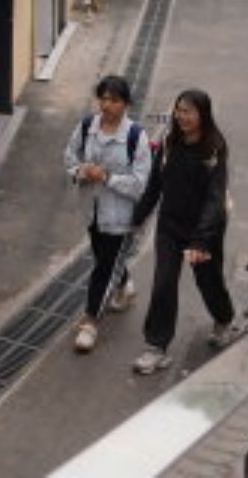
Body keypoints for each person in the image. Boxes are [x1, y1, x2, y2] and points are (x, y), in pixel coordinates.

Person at [132, 89, 238, 375]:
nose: (181, 116)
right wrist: (138, 216)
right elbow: (155, 184)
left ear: (202, 114)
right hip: (170, 226)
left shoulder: (214, 149)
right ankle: (156, 346)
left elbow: (215, 199)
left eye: (188, 111)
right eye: (179, 110)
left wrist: (201, 240)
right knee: (163, 283)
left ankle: (223, 318)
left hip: (204, 231)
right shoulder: (169, 142)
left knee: (208, 280)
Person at [62, 75, 153, 354]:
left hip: (120, 217)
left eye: (113, 100)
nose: (106, 105)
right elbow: (69, 157)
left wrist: (107, 177)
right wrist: (81, 171)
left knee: (103, 267)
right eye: (103, 98)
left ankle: (90, 322)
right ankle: (125, 287)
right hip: (92, 211)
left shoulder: (136, 137)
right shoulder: (87, 126)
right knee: (106, 258)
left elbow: (140, 183)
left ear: (126, 104)